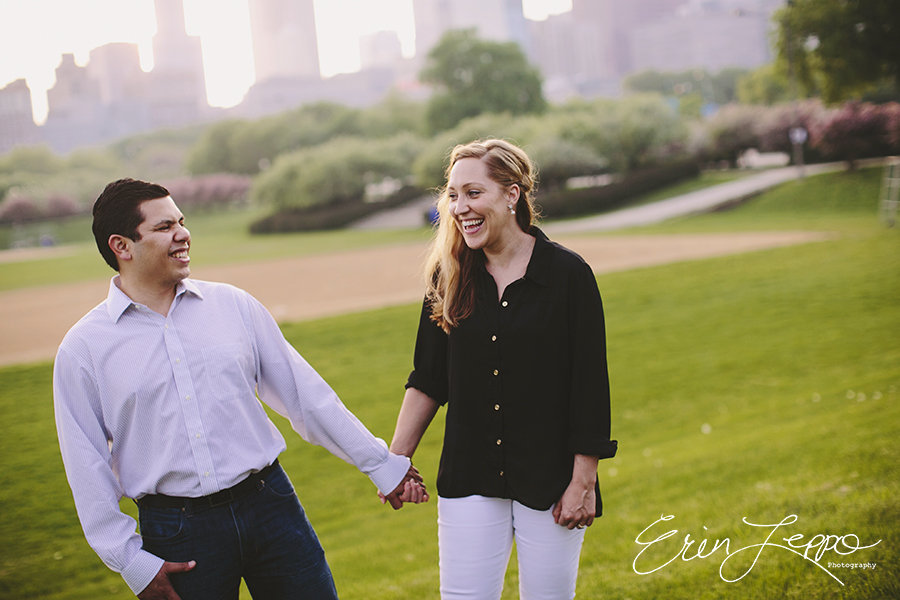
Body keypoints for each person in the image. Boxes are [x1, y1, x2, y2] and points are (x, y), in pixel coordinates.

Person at [53, 178, 428, 600]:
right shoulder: (84, 349)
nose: (182, 234)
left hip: (272, 507)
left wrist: (383, 465)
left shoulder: (233, 306)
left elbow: (306, 397)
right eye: (163, 227)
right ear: (122, 246)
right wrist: (131, 561)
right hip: (178, 534)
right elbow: (85, 464)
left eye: (181, 221)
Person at [387, 139, 617, 599]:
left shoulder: (569, 275)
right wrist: (394, 462)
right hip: (469, 476)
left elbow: (588, 387)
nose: (459, 208)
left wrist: (583, 481)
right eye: (453, 195)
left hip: (551, 481)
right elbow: (429, 378)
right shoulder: (447, 276)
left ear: (512, 195)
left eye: (474, 193)